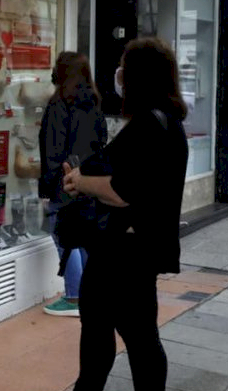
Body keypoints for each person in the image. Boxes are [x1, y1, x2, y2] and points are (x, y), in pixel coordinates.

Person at [63, 37, 188, 391]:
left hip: (122, 254)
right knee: (139, 335)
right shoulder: (168, 122)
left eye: (124, 68)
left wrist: (82, 182)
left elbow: (122, 192)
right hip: (140, 250)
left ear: (137, 77)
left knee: (114, 335)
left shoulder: (149, 125)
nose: (118, 75)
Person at [38, 52, 107, 317]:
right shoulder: (94, 103)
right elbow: (100, 143)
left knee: (65, 238)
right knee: (84, 238)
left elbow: (52, 152)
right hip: (88, 181)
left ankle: (74, 297)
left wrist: (47, 188)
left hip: (63, 182)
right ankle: (89, 293)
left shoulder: (59, 105)